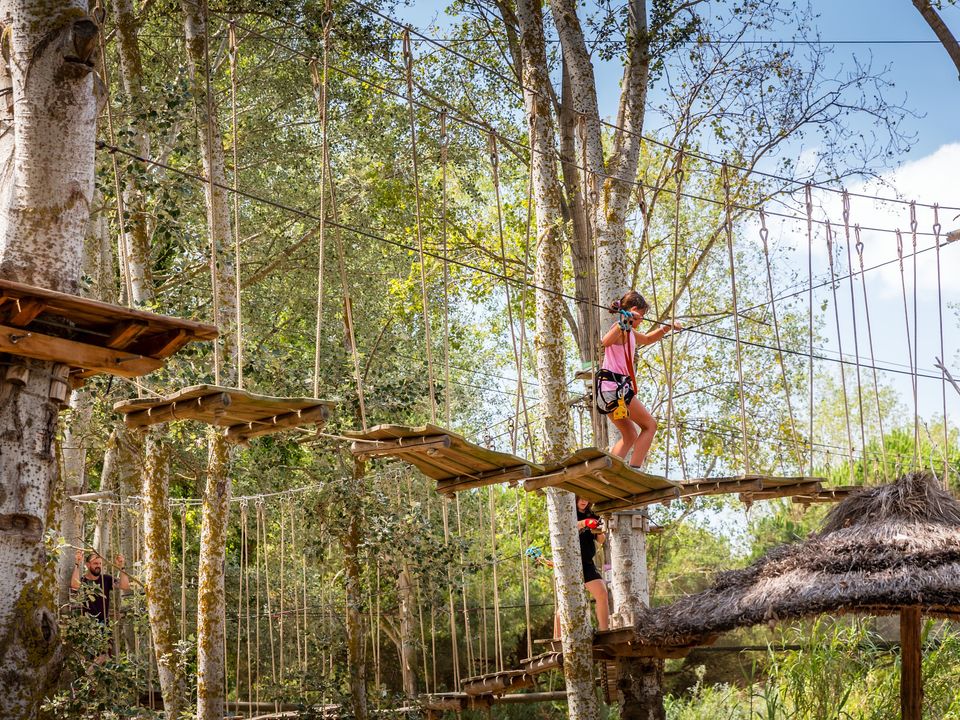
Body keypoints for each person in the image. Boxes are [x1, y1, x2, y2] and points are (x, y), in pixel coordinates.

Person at [596, 290, 682, 469]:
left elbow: (649, 339)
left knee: (630, 435)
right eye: (641, 316)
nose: (642, 320)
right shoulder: (619, 328)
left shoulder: (632, 334)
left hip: (608, 391)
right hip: (615, 388)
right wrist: (624, 322)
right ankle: (635, 468)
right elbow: (605, 341)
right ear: (634, 311)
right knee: (650, 425)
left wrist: (667, 327)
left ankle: (606, 471)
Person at [554, 497, 609, 636]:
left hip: (587, 563)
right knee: (565, 603)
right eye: (581, 498)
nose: (584, 501)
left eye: (587, 498)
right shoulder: (567, 510)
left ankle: (605, 631)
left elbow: (601, 540)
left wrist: (600, 529)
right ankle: (557, 639)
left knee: (602, 593)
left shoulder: (593, 515)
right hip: (570, 562)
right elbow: (567, 525)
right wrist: (584, 523)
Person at [71, 549, 129, 663]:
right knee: (88, 658)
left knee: (104, 656)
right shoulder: (82, 580)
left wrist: (121, 567)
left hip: (104, 624)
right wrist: (77, 563)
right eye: (95, 563)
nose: (98, 566)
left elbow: (125, 585)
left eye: (100, 564)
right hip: (87, 625)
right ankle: (87, 678)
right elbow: (74, 585)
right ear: (87, 565)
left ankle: (90, 677)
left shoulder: (106, 579)